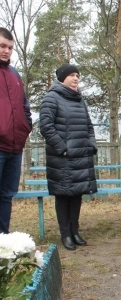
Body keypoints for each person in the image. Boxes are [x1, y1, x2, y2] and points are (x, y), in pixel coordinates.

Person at [40, 64, 97, 250]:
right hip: (62, 158)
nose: (76, 78)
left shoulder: (80, 100)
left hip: (81, 155)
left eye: (77, 75)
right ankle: (65, 234)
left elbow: (89, 126)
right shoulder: (51, 98)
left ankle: (75, 231)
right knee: (64, 196)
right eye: (72, 75)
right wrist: (62, 148)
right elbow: (46, 126)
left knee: (76, 195)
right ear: (62, 78)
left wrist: (91, 144)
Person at [0, 27, 32, 234]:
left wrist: (25, 126)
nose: (6, 51)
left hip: (15, 146)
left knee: (6, 195)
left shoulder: (14, 74)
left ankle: (3, 243)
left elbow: (24, 105)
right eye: (2, 46)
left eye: (10, 48)